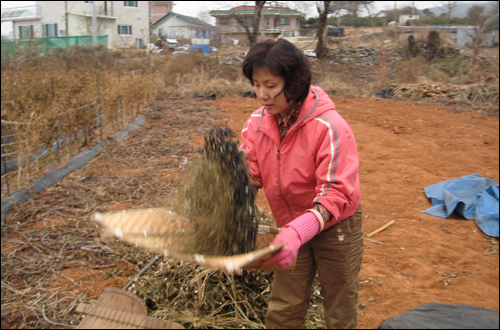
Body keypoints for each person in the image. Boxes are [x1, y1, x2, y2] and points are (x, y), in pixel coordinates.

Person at [239, 38, 363, 329]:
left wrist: (299, 232)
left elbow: (335, 193)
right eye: (256, 85)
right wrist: (229, 187)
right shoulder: (256, 124)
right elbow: (252, 173)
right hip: (288, 225)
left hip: (335, 226)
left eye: (270, 86)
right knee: (284, 306)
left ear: (294, 82)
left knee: (339, 304)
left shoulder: (329, 127)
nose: (261, 95)